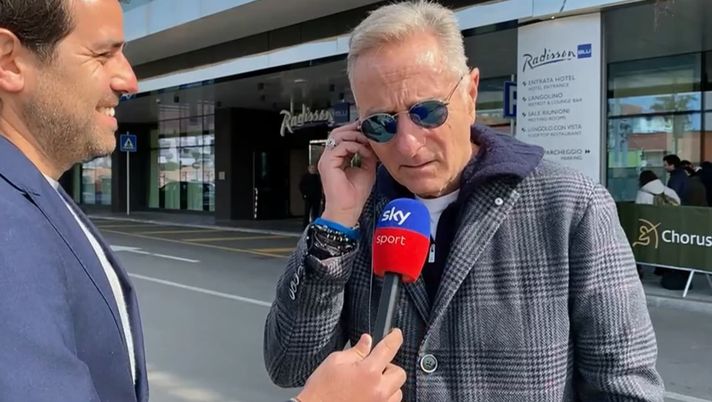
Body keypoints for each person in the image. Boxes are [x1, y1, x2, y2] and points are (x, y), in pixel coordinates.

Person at [0, 1, 406, 401]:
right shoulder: (9, 225)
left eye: (427, 112)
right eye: (103, 54)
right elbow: (291, 362)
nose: (129, 80)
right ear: (10, 62)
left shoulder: (38, 194)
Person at [264, 1, 664, 400]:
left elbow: (625, 389)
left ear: (470, 93)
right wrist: (337, 222)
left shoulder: (571, 206)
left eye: (427, 112)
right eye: (381, 123)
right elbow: (289, 365)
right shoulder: (359, 212)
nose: (407, 143)